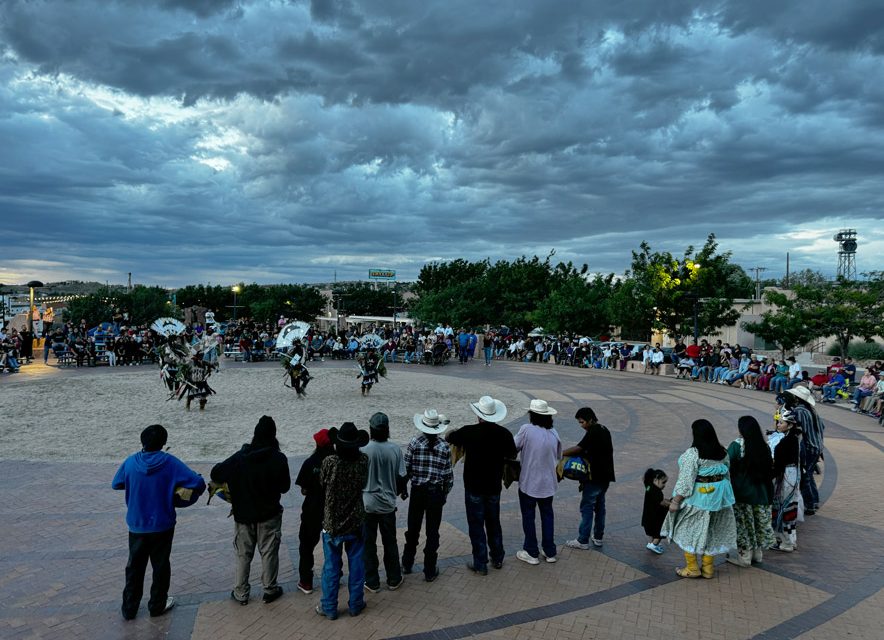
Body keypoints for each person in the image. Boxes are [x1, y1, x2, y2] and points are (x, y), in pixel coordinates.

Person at [112, 425, 206, 620]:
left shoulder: (130, 463)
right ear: (163, 443)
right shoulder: (170, 463)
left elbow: (116, 483)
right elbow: (197, 484)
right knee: (161, 566)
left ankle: (129, 608)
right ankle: (157, 605)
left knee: (134, 567)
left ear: (142, 441)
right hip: (163, 524)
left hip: (137, 525)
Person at [210, 416, 291, 606]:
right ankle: (270, 589)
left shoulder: (240, 458)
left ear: (255, 434)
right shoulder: (278, 458)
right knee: (269, 552)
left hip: (243, 515)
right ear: (274, 435)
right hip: (269, 514)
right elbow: (285, 487)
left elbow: (216, 473)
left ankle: (241, 592)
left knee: (243, 554)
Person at [446, 395, 517, 575]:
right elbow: (512, 455)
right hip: (493, 486)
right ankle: (498, 557)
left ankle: (480, 563)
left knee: (476, 524)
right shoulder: (504, 434)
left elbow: (449, 437)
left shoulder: (469, 431)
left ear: (479, 415)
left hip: (474, 486)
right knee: (494, 522)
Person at [661, 419, 737, 579]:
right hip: (720, 498)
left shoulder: (693, 454)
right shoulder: (722, 452)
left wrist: (675, 501)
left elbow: (686, 481)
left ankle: (692, 567)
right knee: (712, 530)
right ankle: (708, 569)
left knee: (688, 529)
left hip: (699, 498)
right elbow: (727, 473)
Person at [317, 422, 370, 620]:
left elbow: (322, 482)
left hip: (332, 522)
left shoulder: (330, 462)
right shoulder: (363, 460)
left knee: (331, 568)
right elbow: (363, 482)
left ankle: (329, 607)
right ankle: (356, 604)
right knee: (356, 565)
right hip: (356, 520)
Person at [403, 409, 454, 582]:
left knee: (413, 529)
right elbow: (448, 475)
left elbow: (406, 468)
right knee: (433, 531)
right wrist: (444, 494)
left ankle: (407, 562)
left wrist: (408, 484)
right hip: (435, 493)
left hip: (418, 491)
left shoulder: (415, 442)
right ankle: (429, 569)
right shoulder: (444, 446)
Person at [361, 413, 407, 593]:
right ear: (387, 429)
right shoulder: (395, 449)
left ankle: (372, 581)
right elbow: (402, 477)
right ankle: (394, 578)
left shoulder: (364, 450)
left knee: (368, 543)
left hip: (368, 503)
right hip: (388, 503)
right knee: (390, 542)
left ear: (371, 429)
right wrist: (397, 490)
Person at [513, 399, 562, 565]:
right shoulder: (554, 433)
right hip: (548, 483)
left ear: (532, 415)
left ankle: (531, 551)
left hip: (529, 482)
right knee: (547, 516)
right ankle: (550, 551)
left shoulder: (526, 430)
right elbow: (557, 455)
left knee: (529, 516)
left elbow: (513, 447)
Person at [725, 416, 775, 567]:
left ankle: (744, 556)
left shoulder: (737, 445)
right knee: (759, 522)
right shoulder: (764, 446)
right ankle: (757, 554)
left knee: (744, 524)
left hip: (743, 493)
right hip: (762, 492)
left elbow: (725, 465)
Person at [564, 407, 616, 550]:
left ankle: (583, 540)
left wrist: (560, 453)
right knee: (600, 507)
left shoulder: (593, 431)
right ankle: (598, 537)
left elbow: (579, 448)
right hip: (606, 477)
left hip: (594, 477)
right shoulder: (604, 429)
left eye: (582, 422)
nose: (582, 426)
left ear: (590, 420)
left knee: (587, 507)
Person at [294, 429, 335, 595]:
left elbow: (303, 490)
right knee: (333, 545)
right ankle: (334, 577)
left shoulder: (310, 463)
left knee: (306, 545)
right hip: (332, 509)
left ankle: (306, 581)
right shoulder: (336, 462)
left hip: (312, 509)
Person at [784, 386, 824, 515]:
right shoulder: (811, 410)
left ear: (796, 398)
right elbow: (821, 427)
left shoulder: (799, 411)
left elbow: (796, 429)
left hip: (808, 447)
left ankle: (810, 504)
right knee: (809, 475)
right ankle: (814, 500)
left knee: (805, 476)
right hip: (816, 445)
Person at [771, 410, 803, 552]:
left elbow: (778, 465)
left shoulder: (787, 441)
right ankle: (790, 540)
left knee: (783, 507)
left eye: (781, 422)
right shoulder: (794, 439)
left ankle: (786, 542)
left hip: (786, 477)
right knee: (790, 507)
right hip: (792, 475)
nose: (778, 424)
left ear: (789, 425)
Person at [642, 469, 670, 554]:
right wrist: (670, 503)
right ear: (655, 480)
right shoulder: (657, 492)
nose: (664, 485)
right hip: (655, 518)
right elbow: (662, 503)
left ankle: (651, 543)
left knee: (652, 532)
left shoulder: (649, 486)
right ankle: (654, 545)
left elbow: (645, 480)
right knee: (660, 533)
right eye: (663, 482)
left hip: (648, 517)